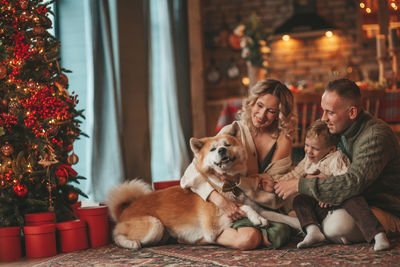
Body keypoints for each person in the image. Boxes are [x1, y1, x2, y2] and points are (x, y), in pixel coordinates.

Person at [273, 78, 400, 248]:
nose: (323, 118)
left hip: (385, 208)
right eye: (323, 111)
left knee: (336, 227)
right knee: (304, 206)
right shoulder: (338, 130)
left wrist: (305, 184)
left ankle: (376, 233)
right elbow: (307, 165)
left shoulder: (375, 136)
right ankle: (313, 228)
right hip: (355, 201)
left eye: (330, 112)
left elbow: (353, 183)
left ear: (352, 112)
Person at [181, 78, 297, 250]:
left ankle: (209, 236)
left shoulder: (282, 139)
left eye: (271, 111)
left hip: (265, 206)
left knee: (277, 235)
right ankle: (203, 237)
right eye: (259, 105)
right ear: (252, 102)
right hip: (231, 205)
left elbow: (275, 189)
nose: (262, 114)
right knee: (250, 239)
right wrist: (220, 200)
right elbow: (191, 173)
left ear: (279, 114)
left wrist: (241, 181)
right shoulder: (234, 131)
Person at [281, 119, 389, 251]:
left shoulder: (336, 159)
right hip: (322, 203)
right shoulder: (308, 159)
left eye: (314, 148)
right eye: (306, 145)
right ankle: (313, 230)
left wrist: (330, 193)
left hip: (340, 198)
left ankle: (377, 234)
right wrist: (277, 182)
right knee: (300, 200)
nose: (309, 151)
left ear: (331, 149)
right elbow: (294, 174)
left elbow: (344, 182)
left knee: (355, 201)